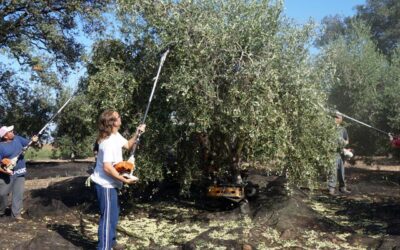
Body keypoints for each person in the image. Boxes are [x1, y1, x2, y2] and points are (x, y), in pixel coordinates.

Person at [90, 109, 145, 250]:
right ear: (112, 122)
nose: (121, 118)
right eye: (118, 117)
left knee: (113, 216)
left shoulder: (115, 135)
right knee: (107, 219)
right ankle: (104, 247)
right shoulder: (107, 142)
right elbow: (107, 168)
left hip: (112, 183)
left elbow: (128, 145)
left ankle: (111, 243)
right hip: (105, 185)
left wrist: (137, 133)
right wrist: (124, 179)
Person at [0, 125, 38, 220]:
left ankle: (16, 214)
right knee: (2, 194)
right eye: (10, 131)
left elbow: (29, 143)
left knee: (18, 194)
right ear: (5, 136)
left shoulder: (18, 139)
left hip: (20, 172)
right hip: (6, 175)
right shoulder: (1, 147)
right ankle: (1, 211)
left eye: (12, 130)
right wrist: (4, 169)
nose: (13, 132)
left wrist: (34, 140)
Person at [328, 113, 351, 195]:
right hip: (332, 152)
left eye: (337, 117)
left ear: (341, 120)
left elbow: (347, 141)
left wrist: (343, 143)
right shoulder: (329, 129)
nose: (335, 119)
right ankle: (331, 188)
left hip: (340, 153)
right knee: (332, 170)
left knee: (341, 171)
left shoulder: (343, 129)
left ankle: (342, 188)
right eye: (334, 117)